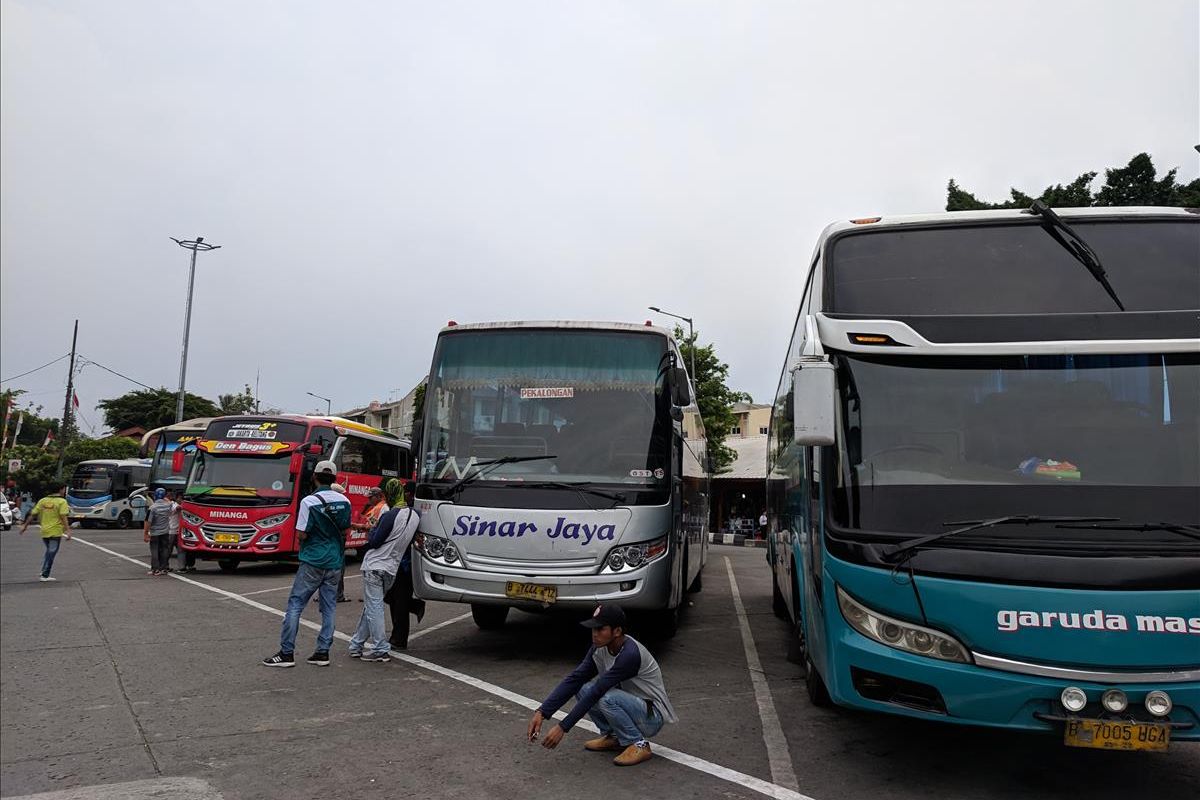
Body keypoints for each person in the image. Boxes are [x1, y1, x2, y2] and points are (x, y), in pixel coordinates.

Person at [527, 604, 677, 767]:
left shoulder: (630, 655)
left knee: (605, 697)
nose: (594, 634)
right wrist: (542, 712)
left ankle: (638, 743)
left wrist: (562, 727)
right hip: (631, 706)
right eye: (593, 629)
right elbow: (575, 679)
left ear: (617, 631)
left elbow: (598, 691)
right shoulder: (599, 649)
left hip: (651, 716)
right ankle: (614, 737)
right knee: (582, 687)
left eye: (600, 629)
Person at [262, 461, 351, 667]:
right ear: (335, 478)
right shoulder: (344, 501)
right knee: (329, 608)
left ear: (315, 477)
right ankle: (322, 652)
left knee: (295, 605)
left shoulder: (309, 502)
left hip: (312, 560)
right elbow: (345, 531)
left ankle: (286, 653)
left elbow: (301, 533)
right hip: (335, 561)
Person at [348, 482, 418, 661]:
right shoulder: (415, 516)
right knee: (372, 607)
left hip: (375, 565)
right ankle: (356, 644)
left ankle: (380, 648)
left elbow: (375, 540)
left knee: (374, 608)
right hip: (392, 569)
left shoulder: (390, 515)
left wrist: (370, 533)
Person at [383, 481, 426, 648]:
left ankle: (399, 639)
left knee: (398, 601)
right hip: (398, 561)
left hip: (405, 563)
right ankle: (415, 606)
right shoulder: (406, 511)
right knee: (392, 598)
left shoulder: (413, 512)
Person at [20, 483, 71, 581]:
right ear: (60, 490)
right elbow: (63, 516)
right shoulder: (62, 501)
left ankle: (44, 571)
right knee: (51, 552)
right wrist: (68, 530)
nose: (64, 491)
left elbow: (33, 514)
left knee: (49, 551)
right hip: (55, 531)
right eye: (64, 489)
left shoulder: (43, 501)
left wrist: (25, 526)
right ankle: (45, 574)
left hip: (44, 531)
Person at [143, 488, 174, 576]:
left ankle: (155, 569)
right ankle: (163, 568)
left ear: (155, 496)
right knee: (164, 549)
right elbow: (169, 502)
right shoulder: (168, 505)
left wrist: (145, 533)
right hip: (165, 532)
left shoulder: (152, 508)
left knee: (154, 550)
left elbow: (148, 521)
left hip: (155, 532)